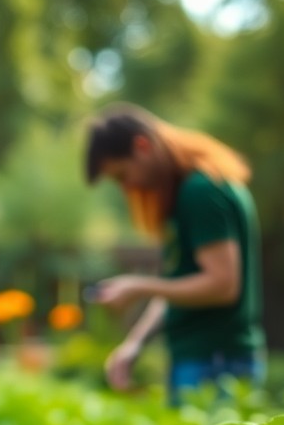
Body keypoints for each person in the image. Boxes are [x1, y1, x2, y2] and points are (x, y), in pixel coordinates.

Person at [84, 104, 265, 404]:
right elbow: (180, 283)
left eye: (122, 175)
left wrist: (138, 286)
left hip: (215, 362)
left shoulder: (200, 191)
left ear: (142, 146)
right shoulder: (188, 193)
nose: (127, 187)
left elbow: (223, 285)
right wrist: (135, 343)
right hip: (205, 359)